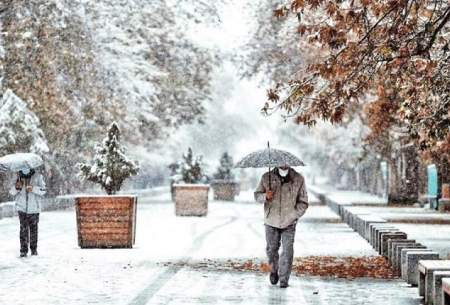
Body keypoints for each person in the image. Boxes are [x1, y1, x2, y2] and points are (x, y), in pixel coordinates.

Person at [254, 165, 308, 288]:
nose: (283, 163)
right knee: (271, 249)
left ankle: (284, 279)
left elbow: (304, 202)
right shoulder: (266, 177)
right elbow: (257, 195)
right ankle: (273, 270)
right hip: (271, 220)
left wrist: (294, 215)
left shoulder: (298, 179)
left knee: (288, 251)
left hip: (289, 222)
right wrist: (265, 196)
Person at [9, 168, 46, 257]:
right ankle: (23, 250)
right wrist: (17, 187)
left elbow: (43, 190)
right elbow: (11, 191)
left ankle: (33, 250)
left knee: (33, 230)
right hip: (22, 208)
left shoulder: (38, 176)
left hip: (34, 208)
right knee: (23, 230)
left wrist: (33, 189)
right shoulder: (17, 177)